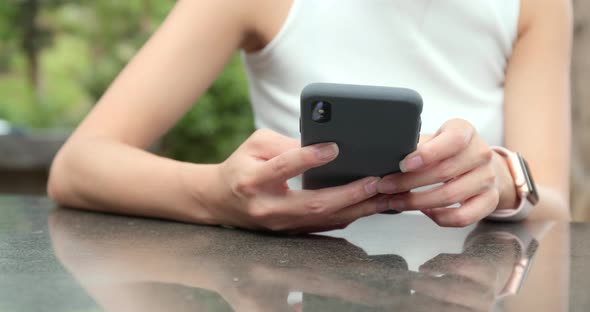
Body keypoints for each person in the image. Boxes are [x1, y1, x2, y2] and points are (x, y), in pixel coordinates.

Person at [47, 0, 573, 233]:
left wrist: (505, 179)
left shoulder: (535, 4)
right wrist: (219, 196)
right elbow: (78, 166)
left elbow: (552, 205)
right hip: (296, 284)